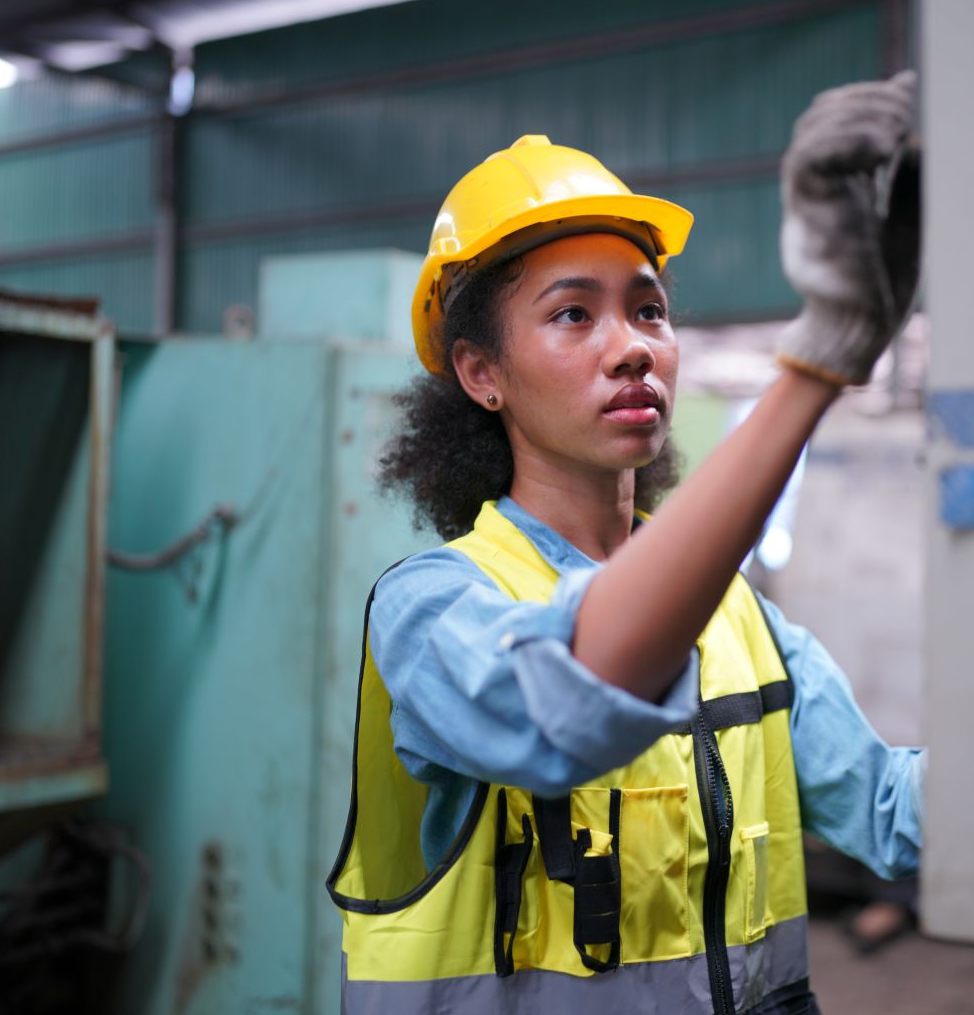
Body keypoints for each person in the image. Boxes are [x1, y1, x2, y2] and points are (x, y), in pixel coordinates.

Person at [325, 72, 923, 1015]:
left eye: (648, 310)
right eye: (574, 313)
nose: (633, 345)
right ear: (481, 373)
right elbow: (571, 705)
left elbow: (890, 808)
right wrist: (820, 361)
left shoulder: (737, 617)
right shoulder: (431, 609)